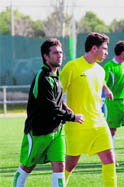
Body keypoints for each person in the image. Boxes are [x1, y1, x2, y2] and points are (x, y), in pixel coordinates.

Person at [13, 38, 84, 187]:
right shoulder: (43, 77)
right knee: (27, 167)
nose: (59, 55)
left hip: (57, 131)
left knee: (59, 166)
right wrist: (73, 116)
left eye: (61, 52)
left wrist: (64, 106)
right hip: (39, 132)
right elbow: (49, 107)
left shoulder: (56, 75)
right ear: (46, 56)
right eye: (55, 53)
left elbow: (55, 99)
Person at [60, 32, 117, 186]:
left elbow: (97, 86)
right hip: (77, 125)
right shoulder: (72, 67)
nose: (106, 52)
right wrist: (69, 113)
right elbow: (56, 94)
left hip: (99, 123)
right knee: (71, 164)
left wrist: (107, 89)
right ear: (94, 48)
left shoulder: (101, 70)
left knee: (109, 159)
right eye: (104, 49)